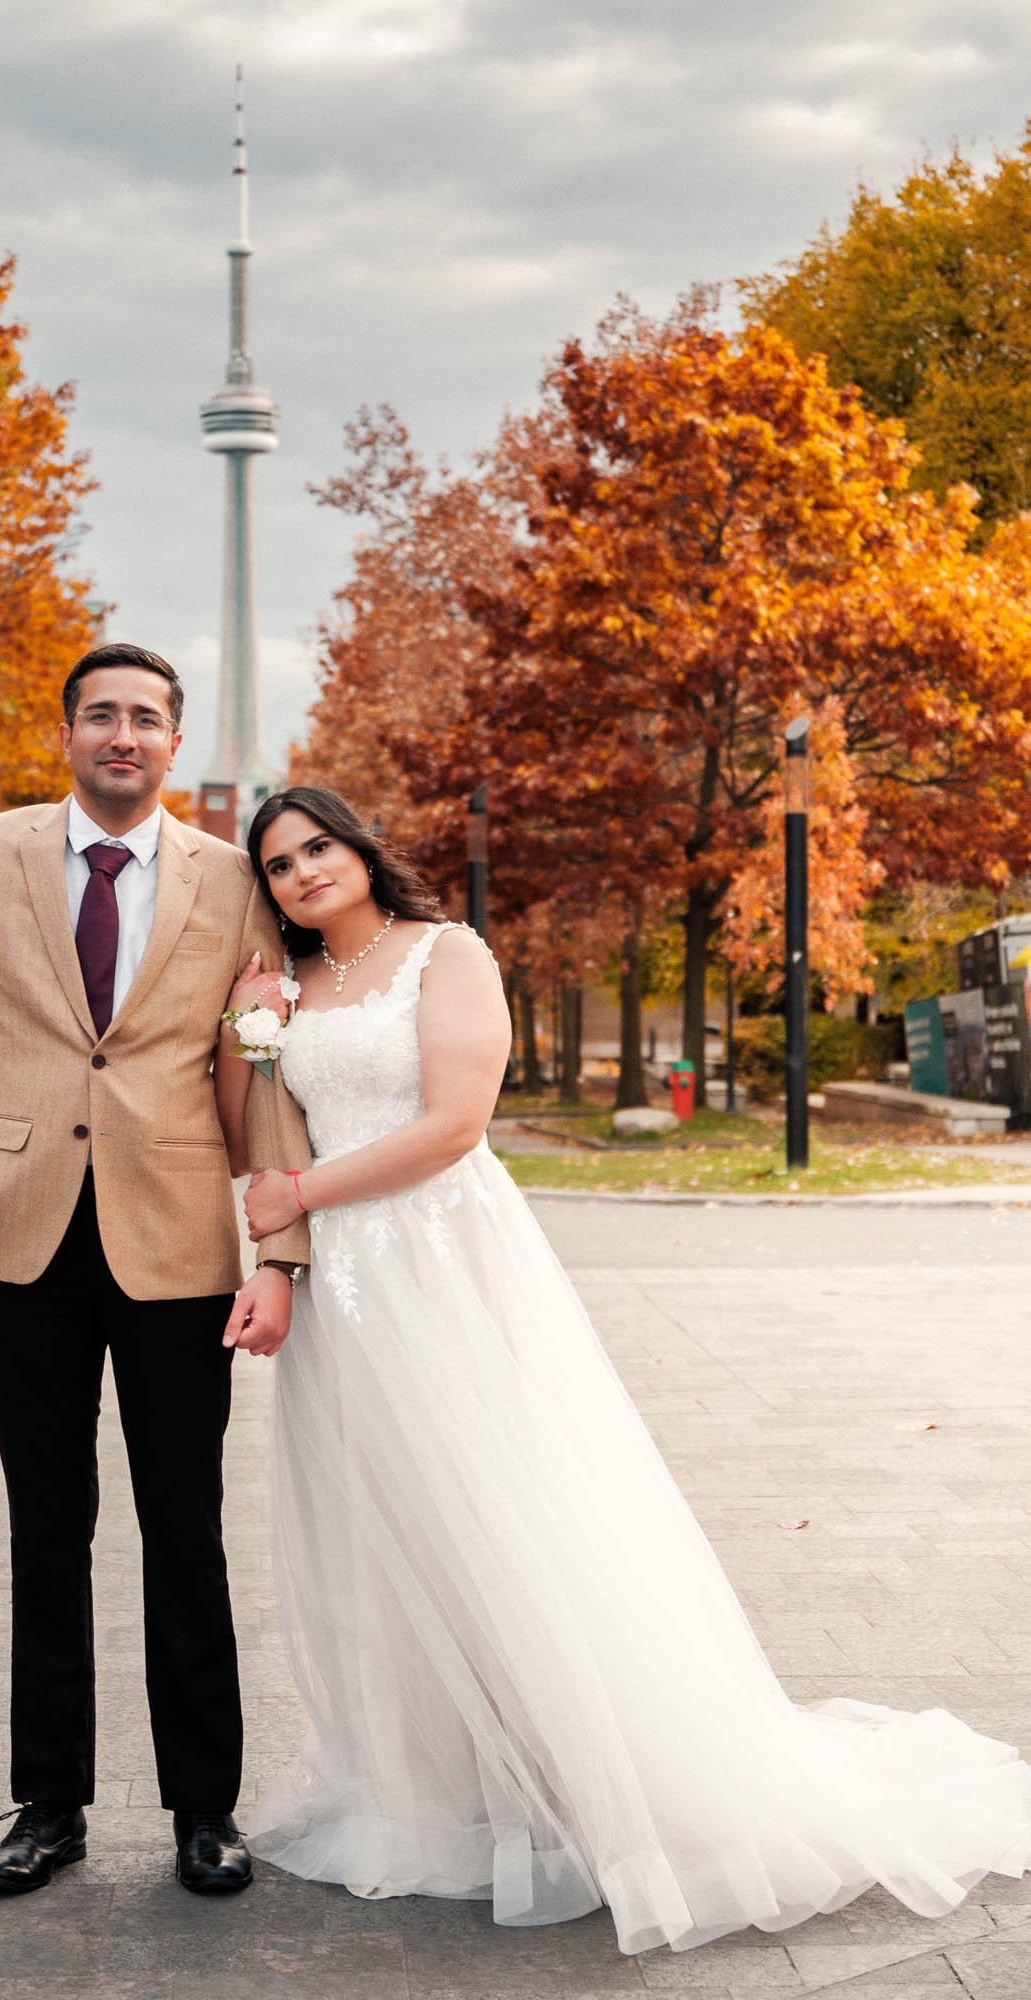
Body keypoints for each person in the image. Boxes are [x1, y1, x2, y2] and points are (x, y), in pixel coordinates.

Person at [215, 783, 1031, 1955]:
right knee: (385, 1534)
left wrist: (300, 1195)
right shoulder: (288, 988)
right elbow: (253, 1128)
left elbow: (456, 1123)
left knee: (503, 1515)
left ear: (359, 848)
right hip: (345, 1289)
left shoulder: (446, 954)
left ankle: (592, 1779)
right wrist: (252, 1033)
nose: (301, 873)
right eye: (280, 863)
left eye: (318, 847)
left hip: (442, 1261)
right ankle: (446, 1788)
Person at [0, 643, 309, 1901]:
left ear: (174, 742)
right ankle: (50, 1802)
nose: (122, 734)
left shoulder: (236, 878)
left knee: (185, 1521)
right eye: (101, 715)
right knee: (46, 1517)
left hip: (177, 1234)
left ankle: (204, 1808)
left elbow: (265, 1064)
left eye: (145, 718)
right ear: (66, 731)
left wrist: (277, 1246)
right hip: (14, 1234)